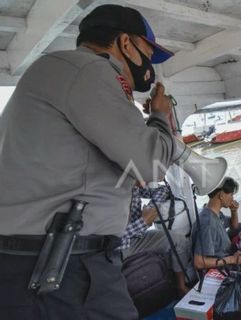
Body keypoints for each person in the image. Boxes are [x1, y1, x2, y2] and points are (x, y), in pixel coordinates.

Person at [0, 4, 176, 319]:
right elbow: (152, 166)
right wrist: (161, 115)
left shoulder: (58, 72)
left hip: (40, 261)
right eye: (148, 54)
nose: (150, 66)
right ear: (125, 43)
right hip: (63, 266)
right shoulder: (90, 71)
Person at [120, 183, 193, 295]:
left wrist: (151, 208)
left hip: (137, 237)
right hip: (117, 248)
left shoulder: (133, 184)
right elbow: (109, 237)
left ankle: (181, 286)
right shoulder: (109, 193)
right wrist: (143, 222)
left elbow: (163, 189)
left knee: (179, 241)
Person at [193, 177, 241, 270]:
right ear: (221, 195)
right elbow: (199, 262)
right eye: (231, 194)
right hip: (221, 267)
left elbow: (235, 226)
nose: (232, 198)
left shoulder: (216, 213)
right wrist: (232, 259)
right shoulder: (207, 223)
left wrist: (234, 211)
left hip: (227, 255)